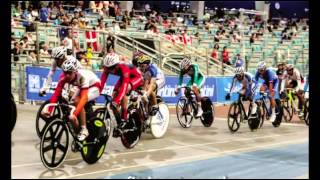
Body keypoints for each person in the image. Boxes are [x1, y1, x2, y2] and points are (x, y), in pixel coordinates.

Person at [42, 56, 101, 141]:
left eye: (69, 73)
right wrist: (49, 110)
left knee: (77, 101)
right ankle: (77, 132)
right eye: (65, 73)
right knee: (71, 103)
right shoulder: (63, 78)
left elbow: (84, 98)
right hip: (81, 86)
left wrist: (75, 114)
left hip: (95, 86)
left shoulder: (81, 77)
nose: (67, 75)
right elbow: (56, 94)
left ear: (75, 72)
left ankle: (84, 129)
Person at [100, 52, 144, 136]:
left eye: (111, 68)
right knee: (113, 93)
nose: (109, 70)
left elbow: (124, 86)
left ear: (116, 65)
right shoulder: (107, 68)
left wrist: (117, 100)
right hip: (120, 76)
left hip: (136, 77)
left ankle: (124, 118)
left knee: (123, 91)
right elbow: (102, 84)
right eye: (107, 68)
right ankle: (118, 116)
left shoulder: (124, 67)